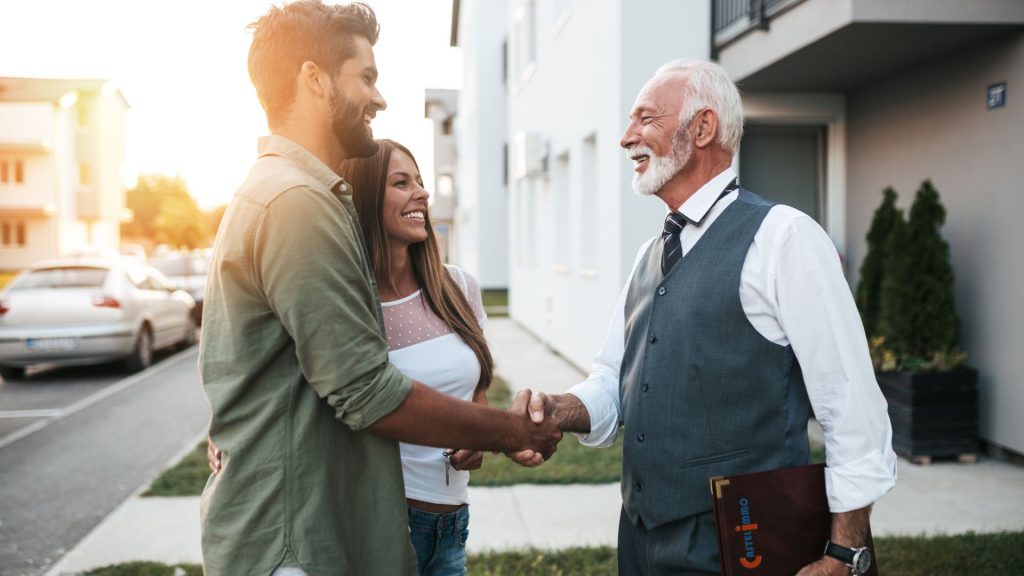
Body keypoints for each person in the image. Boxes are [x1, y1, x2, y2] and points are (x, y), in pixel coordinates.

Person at [198, 3, 559, 575]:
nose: (379, 98)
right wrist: (513, 430)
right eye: (365, 77)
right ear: (314, 78)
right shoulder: (297, 203)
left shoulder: (279, 191)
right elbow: (366, 392)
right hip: (294, 542)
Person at [511, 59, 897, 576]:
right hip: (642, 539)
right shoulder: (648, 256)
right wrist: (559, 408)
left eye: (645, 119)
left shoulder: (784, 237)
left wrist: (846, 552)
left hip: (745, 541)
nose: (627, 138)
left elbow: (851, 406)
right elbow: (614, 381)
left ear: (702, 128)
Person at [209, 139, 490, 575]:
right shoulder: (344, 301)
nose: (422, 193)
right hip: (378, 524)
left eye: (420, 181)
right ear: (364, 197)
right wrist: (228, 437)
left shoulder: (460, 289)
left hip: (451, 521)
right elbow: (278, 382)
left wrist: (479, 434)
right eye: (401, 183)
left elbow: (478, 389)